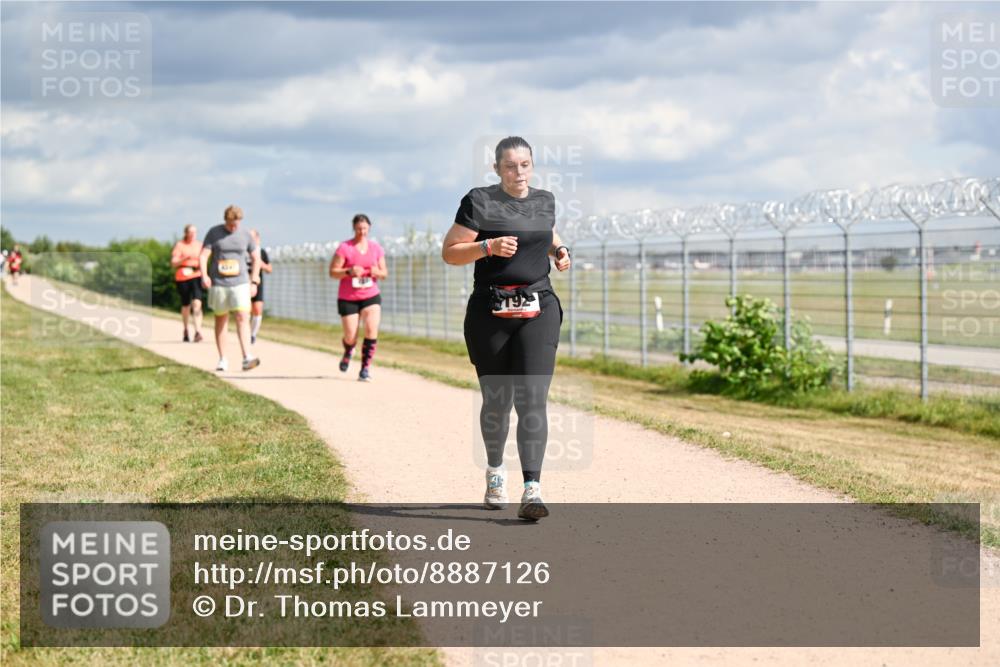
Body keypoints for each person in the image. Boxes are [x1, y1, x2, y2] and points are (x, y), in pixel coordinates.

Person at [442, 136, 571, 521]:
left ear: (533, 166)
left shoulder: (544, 200)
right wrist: (487, 248)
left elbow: (546, 234)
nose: (519, 172)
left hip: (539, 305)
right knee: (498, 401)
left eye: (525, 165)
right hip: (490, 309)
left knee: (532, 399)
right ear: (497, 168)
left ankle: (532, 490)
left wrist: (560, 251)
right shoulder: (479, 201)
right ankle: (496, 471)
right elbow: (450, 251)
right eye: (511, 166)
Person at [199, 205, 261, 372]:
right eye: (231, 224)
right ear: (225, 220)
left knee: (242, 316)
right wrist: (204, 275)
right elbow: (204, 256)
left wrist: (254, 280)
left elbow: (256, 257)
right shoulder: (214, 233)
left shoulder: (246, 234)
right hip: (219, 283)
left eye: (237, 224)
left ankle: (247, 357)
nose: (234, 227)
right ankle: (222, 358)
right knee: (221, 319)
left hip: (240, 282)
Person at [328, 213, 387, 382]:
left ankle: (365, 368)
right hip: (348, 296)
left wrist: (378, 272)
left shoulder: (376, 248)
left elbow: (384, 273)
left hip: (370, 295)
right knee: (350, 335)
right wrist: (349, 271)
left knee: (371, 329)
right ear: (354, 228)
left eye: (365, 228)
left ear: (369, 229)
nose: (362, 231)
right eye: (359, 228)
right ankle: (348, 350)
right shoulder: (345, 248)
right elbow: (332, 272)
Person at [171, 224, 205, 342]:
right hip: (183, 276)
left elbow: (204, 260)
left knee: (197, 304)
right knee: (186, 305)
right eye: (190, 232)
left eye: (195, 232)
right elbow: (174, 262)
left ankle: (198, 331)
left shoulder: (200, 245)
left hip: (196, 275)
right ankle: (185, 329)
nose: (193, 235)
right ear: (186, 233)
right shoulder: (179, 245)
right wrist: (184, 258)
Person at [248, 229, 272, 345]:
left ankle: (253, 334)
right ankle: (245, 333)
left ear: (257, 238)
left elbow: (269, 269)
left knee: (257, 309)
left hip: (257, 283)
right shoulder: (242, 251)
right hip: (244, 283)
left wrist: (259, 263)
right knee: (245, 310)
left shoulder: (261, 252)